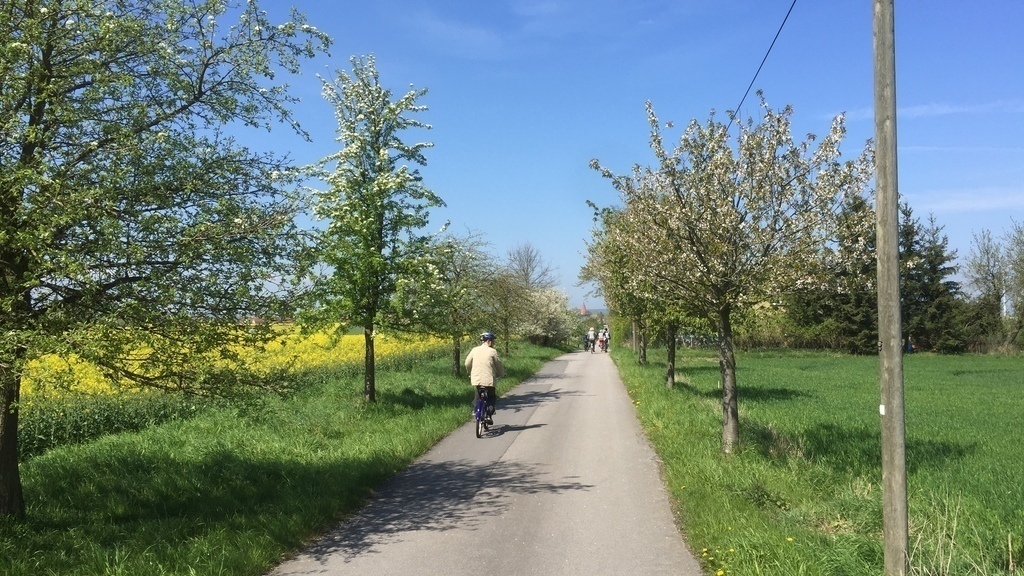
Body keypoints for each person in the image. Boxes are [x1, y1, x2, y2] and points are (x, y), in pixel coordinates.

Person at [465, 332, 505, 424]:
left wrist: (470, 372)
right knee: (491, 397)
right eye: (493, 341)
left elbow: (467, 363)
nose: (493, 343)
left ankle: (475, 410)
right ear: (489, 341)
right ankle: (489, 414)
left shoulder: (474, 350)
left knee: (478, 393)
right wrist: (502, 374)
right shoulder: (492, 351)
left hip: (476, 379)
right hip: (489, 380)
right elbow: (499, 365)